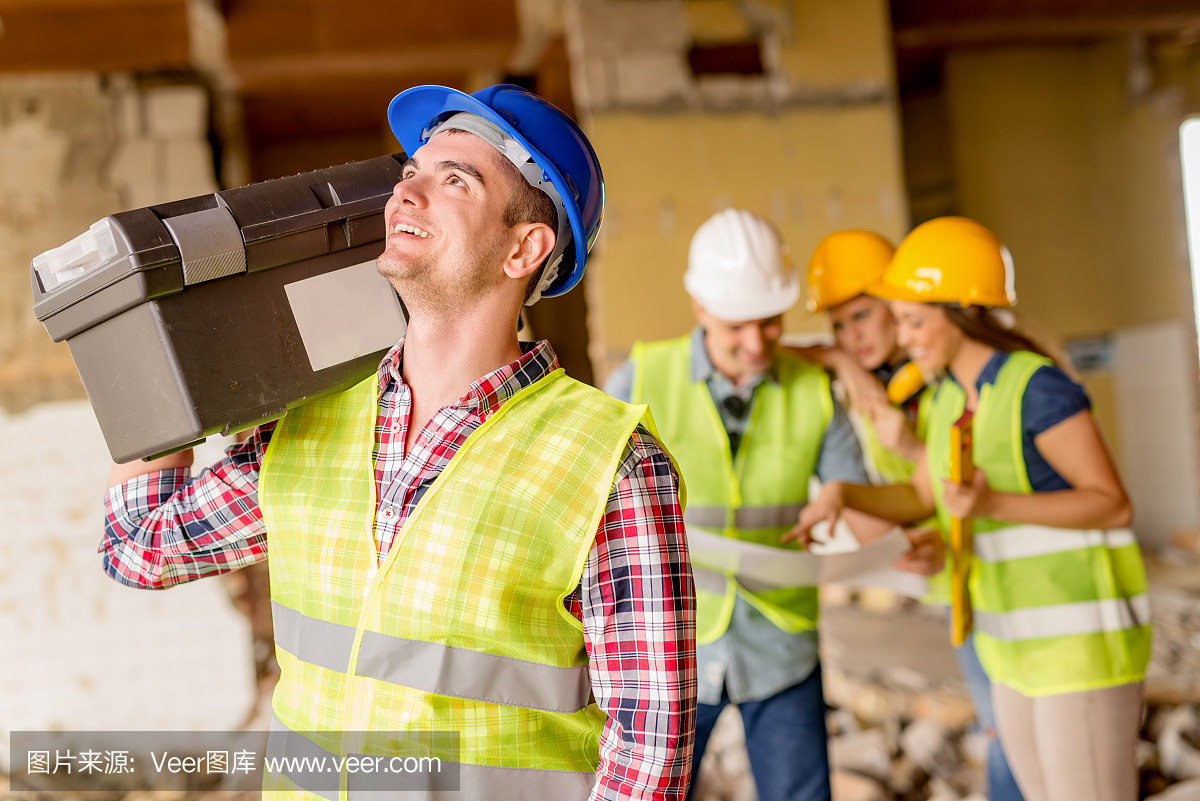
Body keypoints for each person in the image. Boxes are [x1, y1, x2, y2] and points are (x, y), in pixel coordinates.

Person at [102, 84, 697, 801]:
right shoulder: (307, 422)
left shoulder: (610, 461)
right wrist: (150, 354)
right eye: (411, 169)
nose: (406, 192)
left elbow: (649, 751)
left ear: (524, 248)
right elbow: (138, 547)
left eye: (455, 180)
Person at [793, 216, 1150, 801]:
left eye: (912, 320)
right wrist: (842, 495)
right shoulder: (950, 398)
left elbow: (1112, 506)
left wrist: (991, 503)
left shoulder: (1035, 386)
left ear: (958, 311)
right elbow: (924, 496)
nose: (902, 338)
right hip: (1011, 643)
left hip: (1079, 645)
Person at [603, 209, 940, 801]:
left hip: (780, 642)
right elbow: (594, 506)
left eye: (770, 323)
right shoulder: (642, 378)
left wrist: (892, 549)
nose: (757, 343)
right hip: (668, 643)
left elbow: (854, 502)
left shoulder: (812, 390)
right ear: (700, 306)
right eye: (738, 327)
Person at [801, 229, 1026, 801]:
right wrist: (840, 363)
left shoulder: (945, 379)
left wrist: (910, 456)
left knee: (1009, 726)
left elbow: (961, 484)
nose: (852, 337)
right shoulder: (885, 383)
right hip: (954, 573)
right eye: (838, 327)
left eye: (863, 318)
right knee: (1003, 720)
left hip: (995, 570)